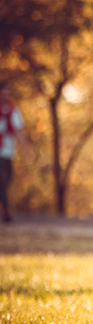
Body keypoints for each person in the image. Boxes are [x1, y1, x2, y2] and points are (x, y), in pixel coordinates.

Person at [0, 82, 32, 223]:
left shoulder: (13, 111)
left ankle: (6, 208)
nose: (6, 96)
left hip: (8, 152)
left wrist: (26, 149)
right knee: (1, 182)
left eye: (8, 93)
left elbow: (19, 132)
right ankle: (7, 212)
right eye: (3, 93)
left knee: (7, 182)